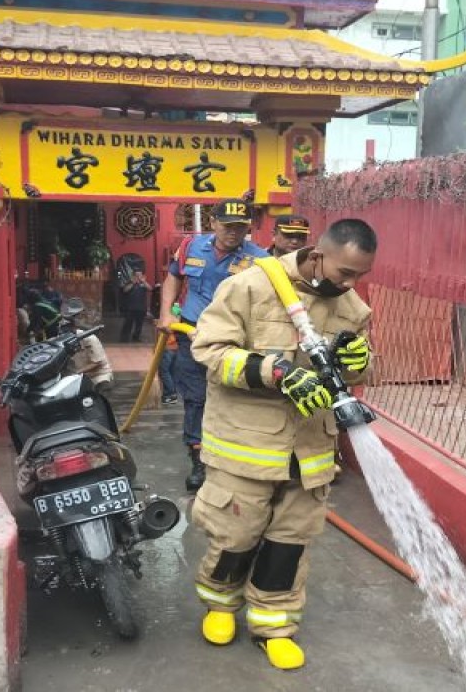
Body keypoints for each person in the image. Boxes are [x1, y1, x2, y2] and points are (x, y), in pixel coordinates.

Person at [188, 218, 376, 670]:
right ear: (317, 255)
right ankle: (219, 605)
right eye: (344, 272)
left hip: (309, 450)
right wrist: (274, 372)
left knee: (288, 544)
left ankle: (274, 625)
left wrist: (359, 362)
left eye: (359, 276)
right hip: (245, 446)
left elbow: (353, 375)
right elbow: (209, 351)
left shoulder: (351, 308)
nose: (350, 284)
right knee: (236, 535)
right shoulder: (250, 287)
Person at [157, 197, 269, 492]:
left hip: (233, 339)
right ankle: (199, 460)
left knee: (233, 394)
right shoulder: (191, 247)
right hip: (191, 332)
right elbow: (173, 278)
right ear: (213, 223)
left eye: (240, 228)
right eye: (228, 226)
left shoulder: (261, 259)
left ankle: (232, 455)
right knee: (196, 398)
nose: (233, 233)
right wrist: (166, 313)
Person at [60, 298, 114, 396]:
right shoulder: (62, 341)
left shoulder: (89, 338)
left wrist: (76, 372)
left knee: (101, 395)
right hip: (83, 378)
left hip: (100, 376)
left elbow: (97, 363)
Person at [120, 269, 151, 342]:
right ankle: (124, 338)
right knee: (128, 323)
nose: (138, 277)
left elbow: (150, 288)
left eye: (140, 275)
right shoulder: (130, 283)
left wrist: (144, 281)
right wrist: (133, 283)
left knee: (139, 324)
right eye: (137, 275)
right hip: (130, 308)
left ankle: (136, 337)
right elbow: (125, 290)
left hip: (141, 308)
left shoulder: (143, 284)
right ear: (133, 276)